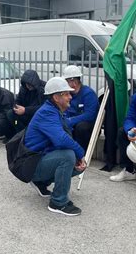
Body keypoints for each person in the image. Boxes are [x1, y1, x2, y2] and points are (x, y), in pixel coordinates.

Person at [24, 76, 87, 216]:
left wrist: (78, 158)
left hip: (36, 159)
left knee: (76, 165)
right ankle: (58, 203)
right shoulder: (47, 113)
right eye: (66, 94)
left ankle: (41, 182)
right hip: (30, 164)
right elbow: (61, 139)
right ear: (56, 97)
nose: (70, 97)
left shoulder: (54, 110)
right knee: (68, 156)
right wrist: (80, 153)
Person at [62, 65, 99, 151]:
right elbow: (65, 110)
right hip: (73, 123)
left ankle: (82, 154)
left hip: (88, 126)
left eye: (67, 81)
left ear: (75, 81)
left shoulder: (88, 93)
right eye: (67, 81)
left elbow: (90, 115)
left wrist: (71, 121)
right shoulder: (68, 94)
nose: (67, 84)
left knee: (81, 127)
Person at [6, 69, 46, 134]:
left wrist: (25, 110)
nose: (28, 86)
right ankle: (20, 133)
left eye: (30, 85)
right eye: (27, 84)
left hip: (37, 114)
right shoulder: (24, 88)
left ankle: (28, 134)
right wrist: (16, 107)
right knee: (12, 115)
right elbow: (18, 100)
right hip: (24, 113)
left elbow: (44, 107)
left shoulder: (43, 89)